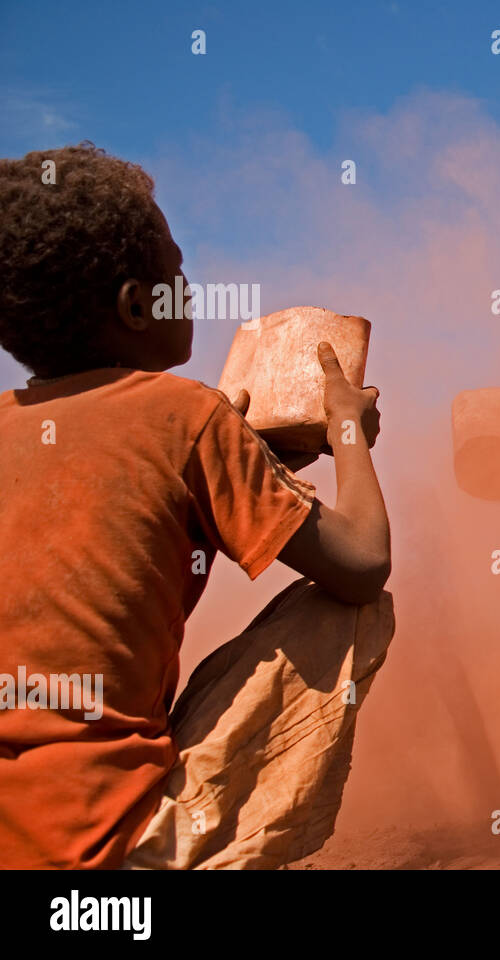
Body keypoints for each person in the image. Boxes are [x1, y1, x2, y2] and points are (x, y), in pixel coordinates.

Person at [0, 143, 393, 869]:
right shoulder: (185, 414)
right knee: (353, 605)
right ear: (133, 305)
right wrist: (347, 436)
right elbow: (364, 563)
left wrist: (249, 462)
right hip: (100, 848)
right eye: (175, 273)